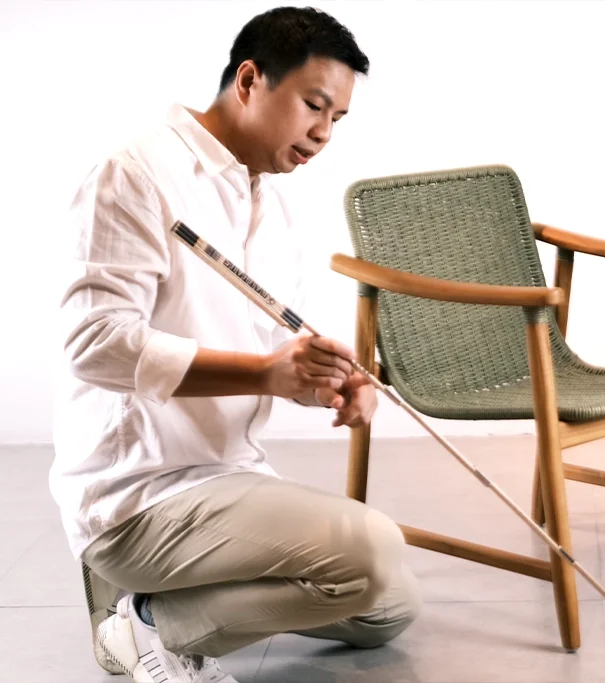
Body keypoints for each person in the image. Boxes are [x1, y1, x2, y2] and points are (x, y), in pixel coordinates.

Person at [51, 7, 421, 681]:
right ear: (250, 79)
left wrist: (330, 382)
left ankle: (155, 603)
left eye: (337, 119)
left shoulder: (273, 208)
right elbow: (94, 344)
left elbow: (280, 360)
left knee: (389, 605)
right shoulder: (134, 173)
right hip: (137, 494)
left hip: (229, 474)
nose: (323, 132)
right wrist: (264, 372)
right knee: (368, 553)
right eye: (314, 105)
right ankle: (146, 623)